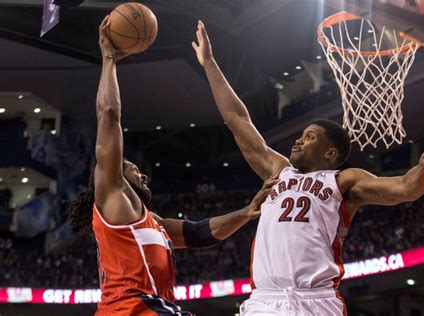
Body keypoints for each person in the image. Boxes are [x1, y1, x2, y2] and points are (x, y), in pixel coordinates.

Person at [192, 20, 424, 315]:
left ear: (329, 152)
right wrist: (210, 64)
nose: (298, 141)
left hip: (316, 300)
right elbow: (238, 120)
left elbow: (404, 188)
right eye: (300, 136)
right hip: (265, 300)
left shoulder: (344, 181)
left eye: (309, 137)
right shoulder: (278, 171)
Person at [67, 17, 278, 316]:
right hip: (131, 310)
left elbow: (200, 234)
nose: (140, 171)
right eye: (129, 167)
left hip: (153, 308)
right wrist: (109, 60)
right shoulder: (112, 198)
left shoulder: (151, 221)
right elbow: (109, 114)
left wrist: (245, 213)